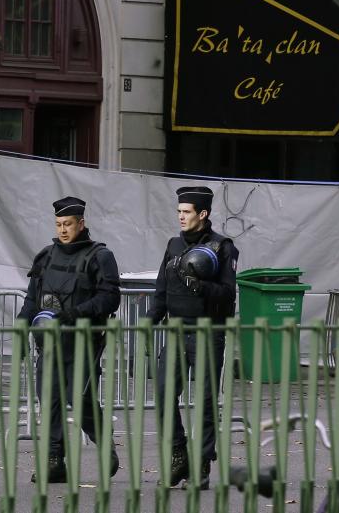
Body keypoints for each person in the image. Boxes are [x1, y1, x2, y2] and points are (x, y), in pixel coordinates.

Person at [18, 195, 122, 484]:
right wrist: (20, 327)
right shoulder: (46, 256)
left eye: (68, 224)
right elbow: (31, 300)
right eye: (59, 224)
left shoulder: (99, 256)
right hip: (49, 344)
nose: (63, 230)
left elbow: (110, 297)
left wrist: (75, 313)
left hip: (83, 343)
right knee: (48, 399)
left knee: (81, 398)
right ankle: (54, 461)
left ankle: (105, 444)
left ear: (81, 223)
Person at [150, 185, 239, 489]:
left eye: (186, 212)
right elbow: (162, 291)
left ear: (203, 214)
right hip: (175, 331)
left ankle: (201, 465)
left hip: (207, 332)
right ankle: (179, 456)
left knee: (205, 402)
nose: (181, 217)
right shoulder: (174, 245)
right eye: (179, 211)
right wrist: (149, 320)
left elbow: (228, 296)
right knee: (162, 394)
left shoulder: (222, 247)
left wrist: (200, 285)